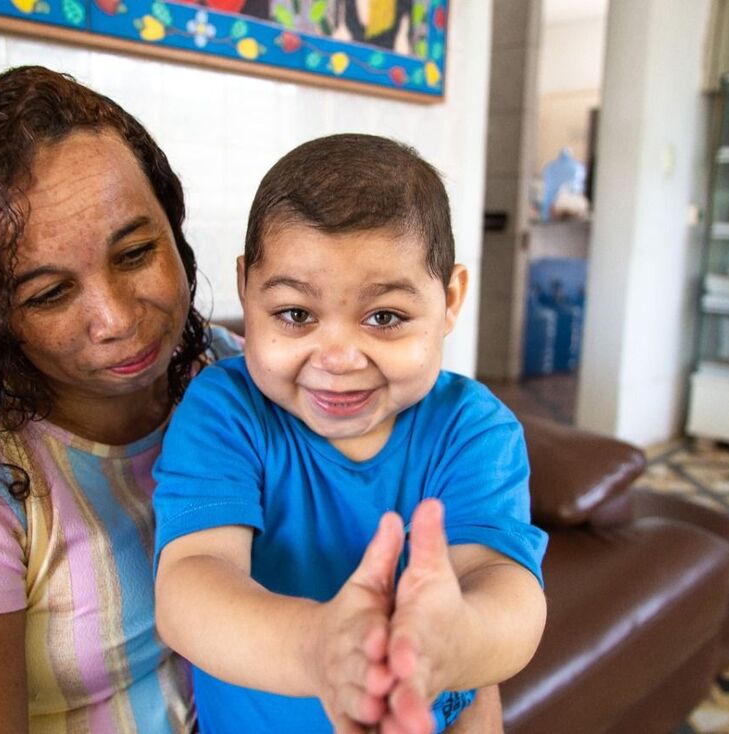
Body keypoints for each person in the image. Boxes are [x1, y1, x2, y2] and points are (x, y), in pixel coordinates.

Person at [0, 68, 502, 734]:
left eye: (134, 253)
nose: (118, 317)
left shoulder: (245, 376)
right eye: (49, 293)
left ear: (174, 228)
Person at [153, 134, 549, 733]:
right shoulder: (226, 411)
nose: (337, 357)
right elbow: (189, 586)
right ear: (245, 289)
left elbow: (506, 589)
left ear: (449, 301)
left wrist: (454, 642)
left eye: (384, 317)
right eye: (295, 314)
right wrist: (318, 647)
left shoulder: (474, 431)